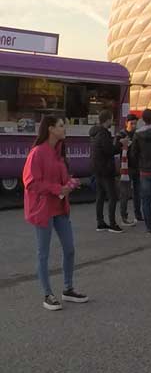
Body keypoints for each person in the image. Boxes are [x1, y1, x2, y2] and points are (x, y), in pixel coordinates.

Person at [24, 116, 87, 310]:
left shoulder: (58, 152)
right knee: (43, 253)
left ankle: (68, 289)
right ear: (50, 129)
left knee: (69, 248)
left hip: (60, 209)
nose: (64, 128)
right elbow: (31, 182)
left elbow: (61, 179)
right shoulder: (37, 153)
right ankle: (47, 294)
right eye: (61, 126)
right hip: (42, 209)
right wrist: (57, 189)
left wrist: (69, 183)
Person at [89, 109, 121, 233]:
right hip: (105, 169)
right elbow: (110, 150)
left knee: (100, 196)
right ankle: (113, 224)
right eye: (111, 119)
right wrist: (120, 144)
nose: (112, 121)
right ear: (107, 120)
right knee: (112, 196)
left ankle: (100, 222)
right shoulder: (103, 133)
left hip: (97, 168)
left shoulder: (94, 133)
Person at [115, 114, 142, 226]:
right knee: (124, 193)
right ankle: (124, 216)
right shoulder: (121, 134)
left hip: (137, 166)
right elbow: (116, 148)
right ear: (126, 123)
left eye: (135, 123)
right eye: (132, 123)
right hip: (126, 167)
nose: (134, 126)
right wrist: (122, 144)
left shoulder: (138, 134)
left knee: (138, 192)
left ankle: (138, 215)